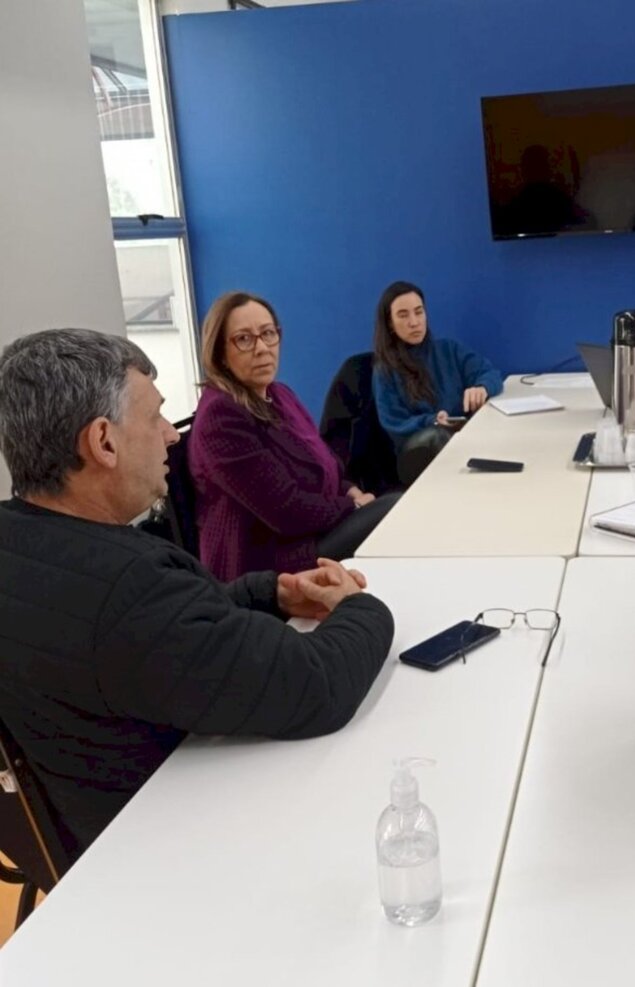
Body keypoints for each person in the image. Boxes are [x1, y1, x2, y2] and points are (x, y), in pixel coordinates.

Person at [0, 328, 395, 863]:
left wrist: (268, 593)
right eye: (155, 416)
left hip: (67, 835)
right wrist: (358, 606)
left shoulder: (25, 545)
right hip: (168, 854)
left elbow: (163, 639)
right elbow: (317, 685)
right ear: (103, 442)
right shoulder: (130, 589)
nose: (169, 434)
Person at [190, 292, 401, 581]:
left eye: (268, 333)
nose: (262, 348)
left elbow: (328, 466)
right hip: (267, 563)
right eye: (244, 339)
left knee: (394, 509)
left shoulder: (280, 395)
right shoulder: (221, 417)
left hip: (313, 533)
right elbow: (286, 511)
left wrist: (350, 490)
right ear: (219, 353)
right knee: (392, 510)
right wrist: (353, 506)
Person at [372, 281, 504, 486]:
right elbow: (394, 423)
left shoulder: (449, 350)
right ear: (389, 323)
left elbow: (490, 373)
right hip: (419, 454)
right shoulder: (385, 371)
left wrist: (482, 387)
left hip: (465, 441)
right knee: (437, 437)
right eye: (403, 315)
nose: (414, 322)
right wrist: (432, 421)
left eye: (419, 312)